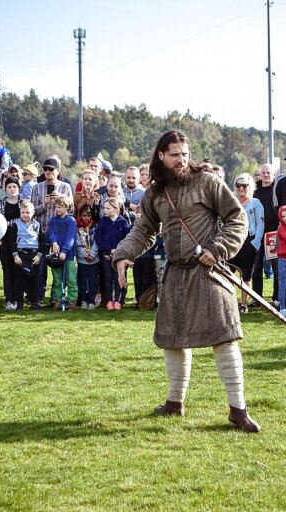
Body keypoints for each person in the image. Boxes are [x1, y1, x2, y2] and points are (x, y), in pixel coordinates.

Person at [113, 130, 260, 432]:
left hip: (209, 272)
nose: (181, 160)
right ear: (162, 156)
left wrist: (218, 248)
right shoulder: (155, 192)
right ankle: (175, 402)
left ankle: (238, 409)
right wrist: (124, 254)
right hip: (176, 274)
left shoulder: (208, 182)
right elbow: (144, 229)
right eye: (175, 154)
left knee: (224, 338)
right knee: (173, 339)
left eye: (185, 153)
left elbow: (237, 217)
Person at [30, 157, 73, 304]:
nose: (47, 172)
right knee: (40, 268)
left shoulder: (65, 187)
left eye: (51, 169)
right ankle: (39, 297)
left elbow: (71, 209)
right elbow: (31, 212)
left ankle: (57, 297)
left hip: (60, 234)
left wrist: (61, 201)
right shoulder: (37, 187)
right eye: (45, 169)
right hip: (41, 232)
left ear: (58, 171)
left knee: (59, 268)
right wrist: (44, 204)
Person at [228, 173, 264, 313]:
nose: (241, 188)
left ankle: (243, 304)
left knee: (246, 275)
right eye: (238, 185)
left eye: (244, 185)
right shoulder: (232, 201)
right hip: (233, 240)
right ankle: (229, 302)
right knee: (228, 273)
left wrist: (255, 243)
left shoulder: (256, 203)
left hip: (249, 241)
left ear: (250, 186)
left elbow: (261, 224)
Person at [6, 200, 45, 311]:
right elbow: (12, 241)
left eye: (28, 212)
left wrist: (38, 255)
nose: (25, 215)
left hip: (34, 255)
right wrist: (15, 255)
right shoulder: (16, 225)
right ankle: (19, 302)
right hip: (20, 254)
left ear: (33, 212)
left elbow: (42, 241)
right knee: (19, 280)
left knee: (34, 279)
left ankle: (34, 301)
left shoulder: (37, 225)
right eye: (23, 212)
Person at [95, 197, 131, 310]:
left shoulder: (123, 222)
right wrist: (108, 249)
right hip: (106, 255)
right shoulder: (103, 222)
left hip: (120, 256)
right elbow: (98, 237)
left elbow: (128, 238)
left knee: (119, 277)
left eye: (108, 208)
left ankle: (119, 300)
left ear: (116, 209)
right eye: (104, 208)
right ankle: (109, 300)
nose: (105, 210)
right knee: (108, 277)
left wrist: (119, 250)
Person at [0, 177, 22, 310]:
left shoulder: (23, 203)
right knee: (7, 271)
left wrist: (8, 223)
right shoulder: (0, 203)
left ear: (18, 187)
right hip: (4, 241)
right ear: (5, 188)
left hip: (20, 241)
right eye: (9, 187)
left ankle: (18, 298)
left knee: (18, 270)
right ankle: (9, 299)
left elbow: (26, 218)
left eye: (14, 187)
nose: (12, 189)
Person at [252, 163, 279, 305]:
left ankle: (277, 297)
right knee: (256, 266)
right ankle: (257, 298)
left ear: (273, 174)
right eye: (264, 172)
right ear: (260, 174)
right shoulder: (254, 190)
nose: (266, 175)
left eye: (269, 172)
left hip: (273, 233)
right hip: (257, 233)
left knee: (276, 267)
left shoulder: (278, 188)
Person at [47, 194, 78, 311]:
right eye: (56, 207)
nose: (57, 209)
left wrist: (64, 250)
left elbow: (71, 237)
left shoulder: (71, 221)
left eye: (59, 207)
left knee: (71, 278)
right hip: (56, 254)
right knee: (57, 278)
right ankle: (57, 299)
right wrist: (54, 243)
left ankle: (72, 300)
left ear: (66, 207)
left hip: (68, 255)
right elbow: (51, 233)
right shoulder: (53, 220)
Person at [75, 204, 99, 310]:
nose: (86, 218)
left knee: (93, 280)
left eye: (89, 215)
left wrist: (92, 254)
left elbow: (97, 241)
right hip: (82, 259)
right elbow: (77, 242)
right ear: (80, 216)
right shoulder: (77, 227)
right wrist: (84, 254)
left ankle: (92, 300)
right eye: (84, 215)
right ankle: (83, 299)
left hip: (94, 259)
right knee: (82, 280)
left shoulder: (95, 227)